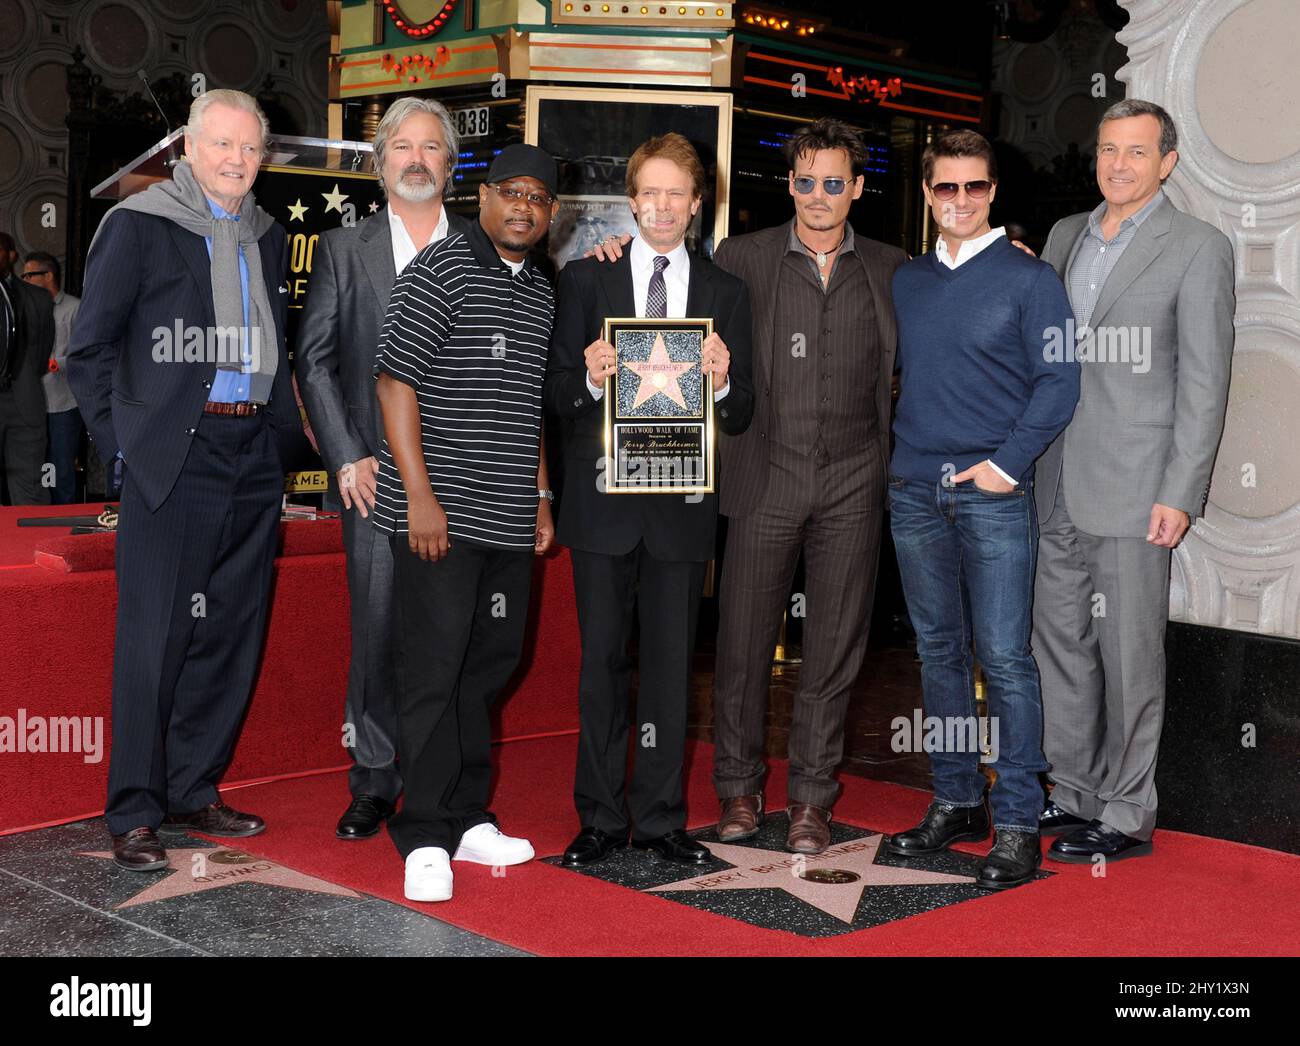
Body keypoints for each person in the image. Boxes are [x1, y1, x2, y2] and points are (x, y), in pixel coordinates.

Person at [67, 89, 306, 871]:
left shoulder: (267, 236)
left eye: (249, 148)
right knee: (153, 637)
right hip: (175, 455)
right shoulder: (138, 226)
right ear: (188, 151)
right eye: (222, 145)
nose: (236, 160)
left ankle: (194, 787)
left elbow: (276, 345)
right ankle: (134, 810)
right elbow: (91, 351)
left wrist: (277, 445)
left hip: (250, 456)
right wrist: (126, 446)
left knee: (229, 633)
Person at [1033, 100, 1235, 863]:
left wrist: (1181, 491)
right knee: (1060, 647)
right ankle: (1074, 791)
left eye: (1137, 152)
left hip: (1137, 488)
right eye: (1108, 150)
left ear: (1167, 162)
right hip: (1053, 479)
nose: (1118, 165)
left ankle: (1125, 812)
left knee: (1128, 657)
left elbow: (1204, 383)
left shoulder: (1198, 247)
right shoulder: (1062, 236)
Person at [545, 132, 754, 867]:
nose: (663, 206)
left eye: (678, 193)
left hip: (681, 510)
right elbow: (557, 397)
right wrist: (592, 377)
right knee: (600, 664)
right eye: (650, 192)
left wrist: (724, 381)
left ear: (698, 205)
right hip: (602, 509)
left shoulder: (727, 293)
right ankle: (600, 818)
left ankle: (664, 819)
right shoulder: (582, 281)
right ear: (631, 203)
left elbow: (742, 412)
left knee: (669, 672)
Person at [705, 118, 908, 853]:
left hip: (856, 480)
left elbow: (941, 334)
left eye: (833, 183)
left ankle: (811, 801)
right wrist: (608, 249)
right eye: (803, 181)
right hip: (764, 475)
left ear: (855, 188)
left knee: (832, 650)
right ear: (788, 184)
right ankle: (737, 790)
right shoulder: (742, 259)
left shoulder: (892, 267)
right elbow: (675, 300)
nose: (817, 197)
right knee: (742, 646)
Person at [885, 130, 1079, 890]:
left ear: (993, 192)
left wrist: (1005, 466)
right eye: (945, 188)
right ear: (929, 195)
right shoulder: (906, 280)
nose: (959, 201)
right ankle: (959, 799)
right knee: (938, 654)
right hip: (913, 493)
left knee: (1004, 659)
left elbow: (1060, 381)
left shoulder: (1034, 281)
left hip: (994, 496)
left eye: (974, 187)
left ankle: (1022, 820)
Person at [372, 144, 560, 903]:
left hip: (509, 516)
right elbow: (392, 383)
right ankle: (421, 832)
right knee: (431, 672)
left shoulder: (542, 290)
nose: (523, 207)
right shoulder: (441, 268)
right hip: (438, 519)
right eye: (511, 192)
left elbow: (531, 405)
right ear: (483, 197)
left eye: (539, 198)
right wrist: (418, 495)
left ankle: (466, 814)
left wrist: (542, 494)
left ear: (552, 215)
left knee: (488, 667)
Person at [298, 96, 471, 842]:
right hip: (373, 477)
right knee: (375, 632)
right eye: (401, 146)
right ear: (380, 165)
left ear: (450, 165)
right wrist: (344, 455)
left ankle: (447, 778)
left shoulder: (484, 247)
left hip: (464, 479)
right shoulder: (343, 249)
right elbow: (313, 361)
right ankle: (373, 779)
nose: (415, 158)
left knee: (452, 637)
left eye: (430, 147)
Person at [22, 251, 82, 504]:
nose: (23, 280)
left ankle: (64, 530)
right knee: (30, 470)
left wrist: (58, 363)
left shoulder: (75, 308)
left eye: (28, 275)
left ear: (48, 276)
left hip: (62, 404)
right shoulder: (24, 309)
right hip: (28, 404)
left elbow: (87, 353)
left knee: (61, 468)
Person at [0, 232, 55, 505]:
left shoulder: (39, 299)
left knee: (29, 489)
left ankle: (28, 547)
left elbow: (42, 352)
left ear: (11, 255)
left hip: (24, 403)